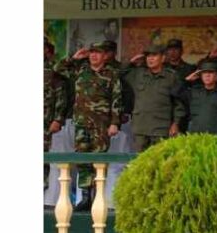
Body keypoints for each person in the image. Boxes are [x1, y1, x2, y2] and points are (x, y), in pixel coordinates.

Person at [54, 42, 122, 211]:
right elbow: (57, 68)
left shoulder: (111, 74)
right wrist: (74, 58)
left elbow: (116, 99)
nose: (94, 55)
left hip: (101, 125)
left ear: (105, 56)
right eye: (91, 52)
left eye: (98, 53)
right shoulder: (80, 70)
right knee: (83, 161)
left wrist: (114, 123)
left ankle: (97, 197)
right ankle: (85, 198)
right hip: (82, 124)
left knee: (98, 162)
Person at [121, 44, 186, 152]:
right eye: (148, 56)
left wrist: (176, 123)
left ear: (163, 58)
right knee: (139, 161)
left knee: (159, 161)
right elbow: (120, 73)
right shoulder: (139, 74)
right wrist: (131, 62)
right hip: (140, 128)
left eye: (154, 55)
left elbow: (179, 103)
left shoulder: (171, 77)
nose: (150, 58)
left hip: (161, 128)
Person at [181, 62, 217, 136]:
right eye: (204, 73)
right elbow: (176, 92)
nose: (207, 75)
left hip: (216, 135)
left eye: (210, 72)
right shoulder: (194, 91)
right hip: (196, 135)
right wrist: (187, 80)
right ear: (201, 76)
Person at [44, 38, 67, 188]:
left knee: (44, 159)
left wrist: (57, 119)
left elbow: (61, 96)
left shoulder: (54, 70)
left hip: (46, 121)